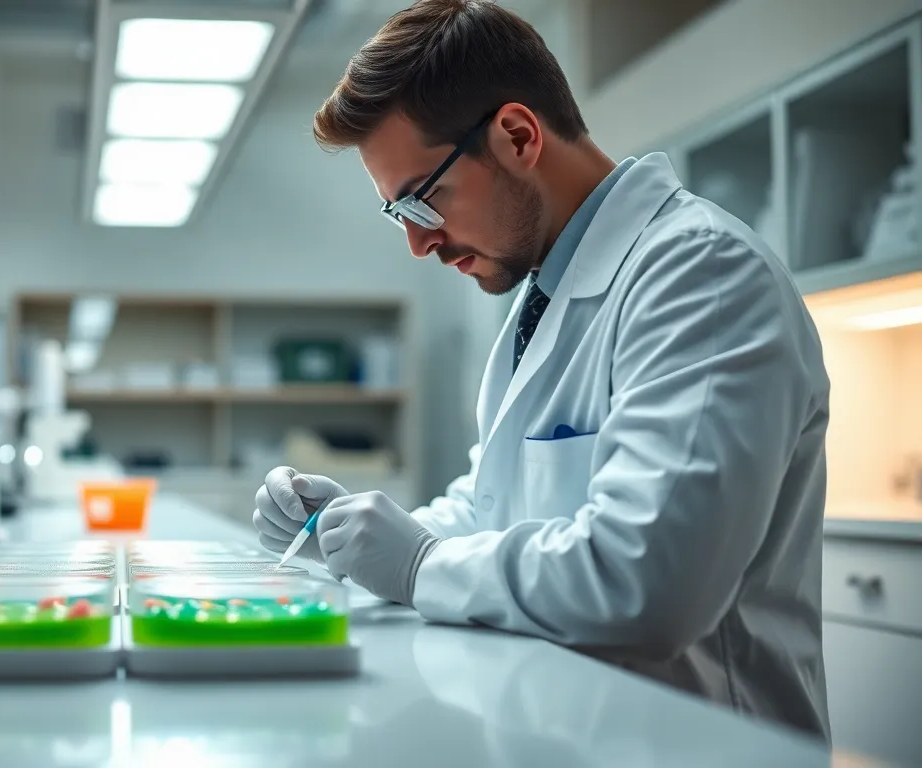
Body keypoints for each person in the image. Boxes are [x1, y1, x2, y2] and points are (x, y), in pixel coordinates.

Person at [252, 0, 831, 740]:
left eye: (422, 202)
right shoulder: (543, 295)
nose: (419, 246)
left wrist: (419, 563)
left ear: (518, 136)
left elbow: (647, 583)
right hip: (573, 731)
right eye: (399, 217)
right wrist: (354, 534)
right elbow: (494, 507)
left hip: (696, 743)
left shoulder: (701, 275)